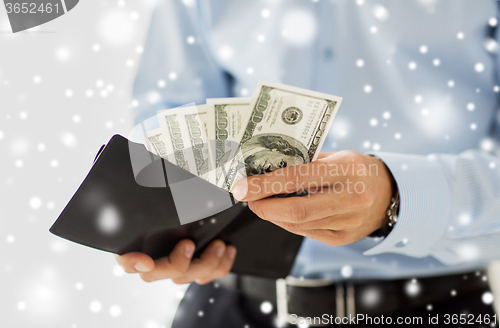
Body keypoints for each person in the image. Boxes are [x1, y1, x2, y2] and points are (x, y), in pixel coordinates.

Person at [116, 1, 500, 327]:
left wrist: (397, 199)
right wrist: (169, 227)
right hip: (227, 304)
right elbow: (170, 115)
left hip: (431, 309)